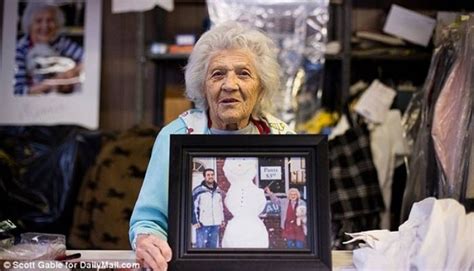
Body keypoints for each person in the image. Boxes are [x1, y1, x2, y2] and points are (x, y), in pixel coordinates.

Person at [129, 21, 294, 271]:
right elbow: (149, 220)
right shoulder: (176, 135)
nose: (230, 84)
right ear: (203, 86)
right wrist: (147, 241)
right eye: (218, 74)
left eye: (243, 73)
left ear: (261, 88)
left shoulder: (283, 137)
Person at [14, 2, 83, 95]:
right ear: (30, 25)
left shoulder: (60, 41)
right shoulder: (19, 49)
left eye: (50, 20)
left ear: (57, 24)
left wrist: (71, 72)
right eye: (38, 21)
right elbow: (18, 92)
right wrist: (56, 81)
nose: (45, 26)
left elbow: (87, 59)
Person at [191, 168, 225, 248]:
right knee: (201, 247)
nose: (210, 176)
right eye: (208, 175)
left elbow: (220, 206)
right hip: (202, 224)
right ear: (204, 177)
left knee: (212, 247)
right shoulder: (198, 190)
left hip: (215, 223)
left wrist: (222, 219)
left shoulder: (218, 191)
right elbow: (193, 207)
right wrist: (194, 221)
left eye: (212, 175)